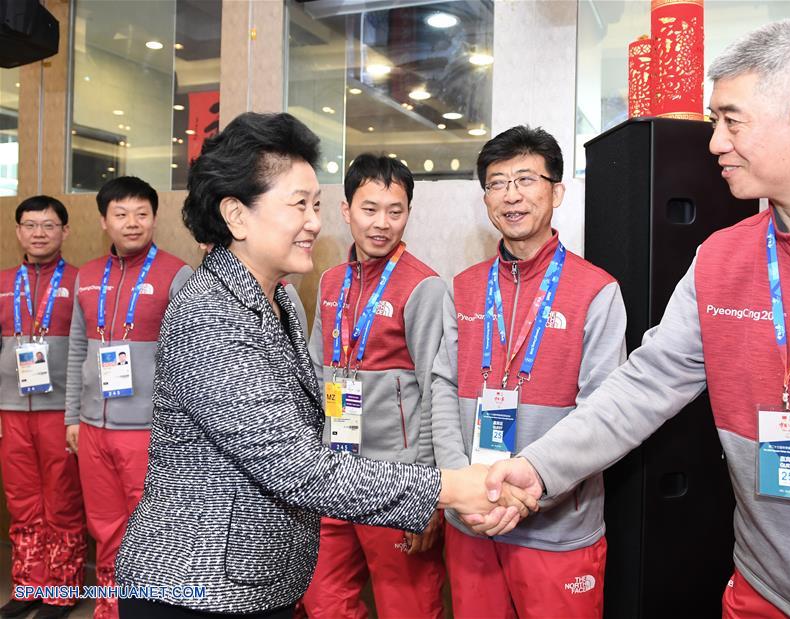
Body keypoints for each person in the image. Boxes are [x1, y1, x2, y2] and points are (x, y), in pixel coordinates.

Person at [483, 18, 790, 619]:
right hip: (760, 594)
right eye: (714, 122)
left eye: (732, 120)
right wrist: (537, 470)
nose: (714, 143)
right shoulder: (721, 258)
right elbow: (643, 385)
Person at [114, 112, 536, 619]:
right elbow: (297, 468)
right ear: (236, 215)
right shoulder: (209, 313)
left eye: (316, 205)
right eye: (300, 205)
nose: (315, 222)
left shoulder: (281, 301)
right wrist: (452, 487)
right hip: (199, 587)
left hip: (258, 580)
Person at [430, 126, 627, 617]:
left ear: (556, 192)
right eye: (497, 183)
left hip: (557, 529)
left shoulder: (596, 291)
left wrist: (526, 494)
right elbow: (442, 385)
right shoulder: (464, 287)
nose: (511, 195)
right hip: (471, 522)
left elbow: (603, 413)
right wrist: (462, 488)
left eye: (525, 179)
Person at [303, 155, 447, 618]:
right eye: (369, 209)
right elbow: (315, 373)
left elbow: (436, 394)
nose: (382, 223)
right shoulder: (331, 281)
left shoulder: (423, 286)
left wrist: (426, 493)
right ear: (346, 210)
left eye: (395, 211)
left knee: (407, 605)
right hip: (332, 471)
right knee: (324, 601)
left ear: (408, 213)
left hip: (395, 480)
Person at [64, 177, 193, 619]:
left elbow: (188, 360)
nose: (132, 223)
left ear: (155, 219)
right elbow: (77, 350)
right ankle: (110, 609)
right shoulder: (86, 276)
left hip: (148, 431)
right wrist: (72, 417)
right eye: (121, 214)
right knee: (104, 528)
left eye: (142, 213)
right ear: (104, 221)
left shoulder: (177, 274)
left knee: (151, 531)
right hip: (93, 428)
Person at [0, 197, 86, 619]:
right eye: (30, 225)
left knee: (62, 499)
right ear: (18, 231)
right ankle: (28, 584)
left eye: (49, 225)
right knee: (21, 500)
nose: (39, 233)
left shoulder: (82, 281)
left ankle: (61, 589)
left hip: (60, 411)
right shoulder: (2, 282)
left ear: (64, 231)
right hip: (10, 410)